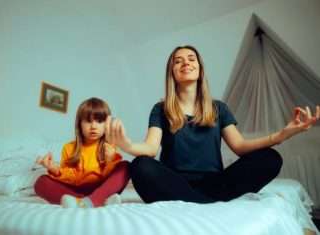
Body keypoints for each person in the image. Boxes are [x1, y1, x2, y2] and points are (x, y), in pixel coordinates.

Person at [104, 45, 320, 204]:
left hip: (215, 183)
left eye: (191, 59)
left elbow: (240, 147)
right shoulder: (160, 109)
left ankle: (194, 200)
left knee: (270, 158)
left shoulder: (219, 108)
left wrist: (282, 134)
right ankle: (203, 202)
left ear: (200, 69)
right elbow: (150, 149)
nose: (185, 62)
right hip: (174, 182)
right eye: (178, 61)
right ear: (172, 72)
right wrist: (126, 144)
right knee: (140, 166)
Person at [34, 97, 130, 208]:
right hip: (76, 189)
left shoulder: (110, 146)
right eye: (88, 121)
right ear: (79, 124)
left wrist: (110, 160)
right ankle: (90, 201)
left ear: (106, 124)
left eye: (99, 121)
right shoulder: (69, 148)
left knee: (125, 166)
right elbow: (72, 179)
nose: (93, 126)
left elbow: (109, 177)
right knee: (41, 182)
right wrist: (56, 170)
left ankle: (93, 200)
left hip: (102, 188)